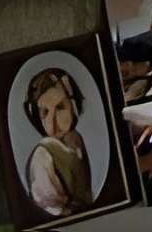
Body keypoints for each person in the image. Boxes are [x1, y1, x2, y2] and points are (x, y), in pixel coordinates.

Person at [20, 63, 98, 219]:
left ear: (73, 105)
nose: (53, 122)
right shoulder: (43, 155)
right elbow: (49, 206)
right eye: (45, 113)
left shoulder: (76, 140)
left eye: (60, 107)